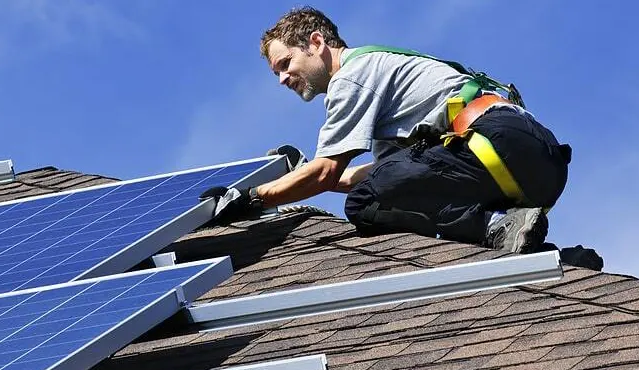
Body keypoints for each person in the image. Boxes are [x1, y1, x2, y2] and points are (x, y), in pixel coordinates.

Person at [200, 6, 570, 254]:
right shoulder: (383, 79)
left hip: (497, 146)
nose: (282, 79)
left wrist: (251, 198)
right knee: (379, 187)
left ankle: (495, 227)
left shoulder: (352, 78)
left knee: (365, 205)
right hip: (536, 164)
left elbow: (329, 172)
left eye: (285, 63)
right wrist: (303, 175)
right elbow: (375, 175)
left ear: (316, 42)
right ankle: (537, 250)